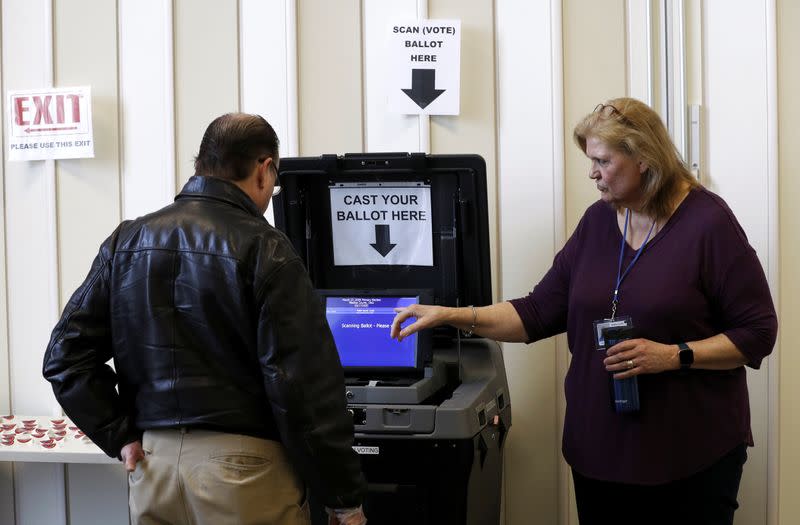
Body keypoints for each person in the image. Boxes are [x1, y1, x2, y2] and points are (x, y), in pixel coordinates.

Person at [391, 98, 777, 525]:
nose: (592, 173)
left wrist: (673, 355)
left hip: (689, 456)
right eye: (590, 160)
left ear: (645, 159)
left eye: (603, 161)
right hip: (600, 452)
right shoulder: (596, 223)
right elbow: (536, 313)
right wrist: (453, 315)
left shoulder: (708, 223)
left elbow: (757, 331)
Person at [43, 113, 367, 525]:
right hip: (247, 476)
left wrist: (120, 434)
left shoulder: (127, 242)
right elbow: (302, 390)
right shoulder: (268, 250)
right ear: (265, 171)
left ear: (201, 165)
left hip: (152, 468)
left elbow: (64, 357)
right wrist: (344, 499)